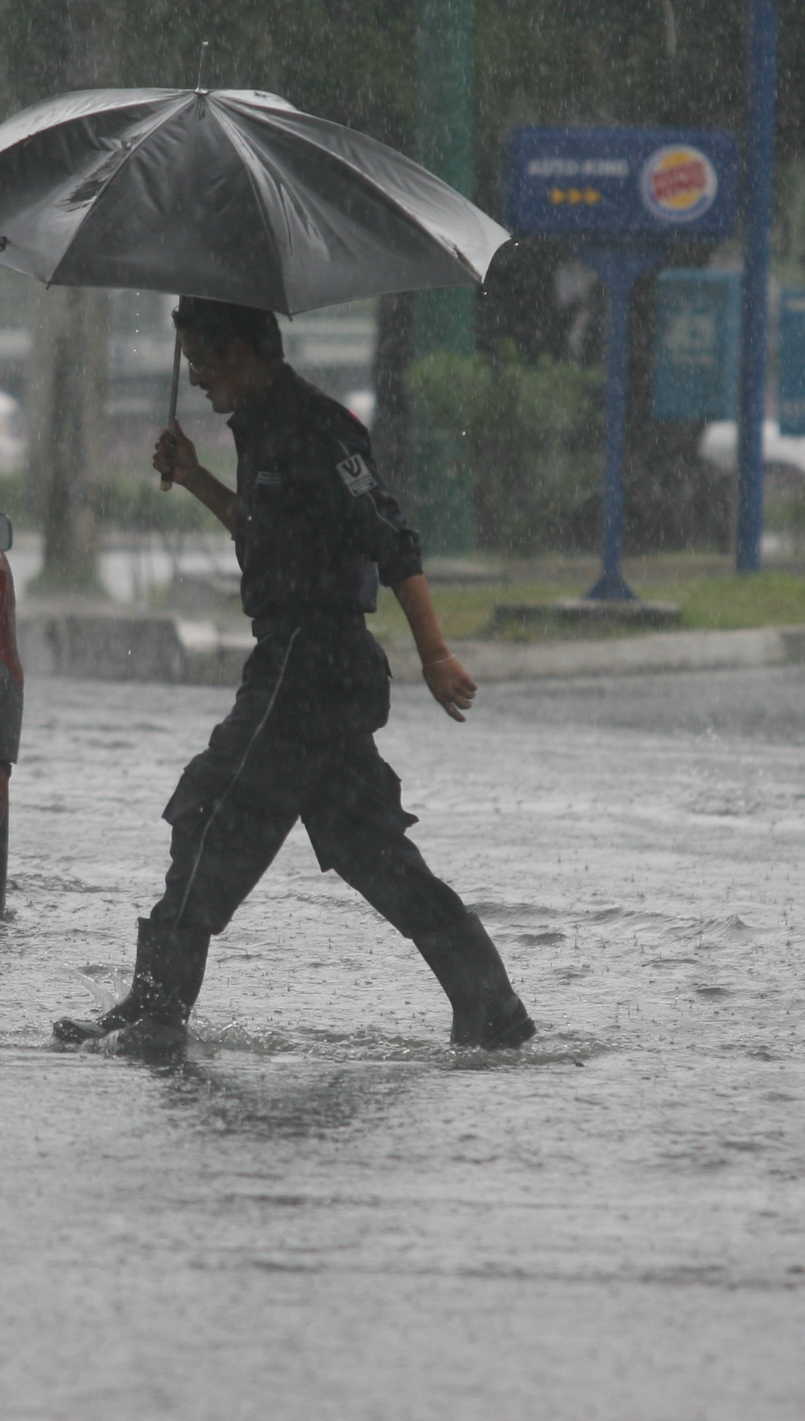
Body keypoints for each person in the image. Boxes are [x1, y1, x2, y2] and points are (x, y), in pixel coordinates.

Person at [55, 299, 535, 1057]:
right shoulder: (259, 431)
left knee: (211, 808)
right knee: (370, 847)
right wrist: (195, 478)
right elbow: (265, 533)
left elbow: (393, 540)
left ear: (247, 352)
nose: (198, 380)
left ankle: (157, 1010)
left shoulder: (319, 429)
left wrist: (434, 653)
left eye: (204, 364)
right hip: (301, 662)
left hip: (310, 663)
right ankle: (492, 1007)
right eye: (191, 368)